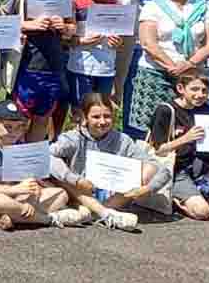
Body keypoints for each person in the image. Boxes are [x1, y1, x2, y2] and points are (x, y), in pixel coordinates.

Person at [50, 93, 170, 231]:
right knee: (58, 173)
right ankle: (104, 214)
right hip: (80, 191)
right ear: (85, 117)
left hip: (112, 196)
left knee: (149, 168)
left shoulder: (123, 140)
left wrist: (147, 188)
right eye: (96, 117)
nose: (102, 122)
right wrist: (75, 179)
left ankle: (93, 213)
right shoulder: (73, 138)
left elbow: (162, 169)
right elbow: (48, 156)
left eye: (107, 116)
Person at [128, 0, 209, 135]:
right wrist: (173, 67)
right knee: (151, 130)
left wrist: (188, 65)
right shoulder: (152, 7)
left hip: (190, 78)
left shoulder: (205, 8)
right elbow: (148, 43)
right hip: (156, 76)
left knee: (186, 128)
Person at [0, 100, 88, 230]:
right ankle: (49, 219)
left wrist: (32, 192)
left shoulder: (20, 146)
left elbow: (27, 181)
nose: (14, 132)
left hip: (15, 197)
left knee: (61, 194)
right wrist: (16, 190)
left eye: (19, 127)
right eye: (8, 127)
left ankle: (7, 216)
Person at [1, 0, 75, 141]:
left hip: (53, 65)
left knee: (43, 118)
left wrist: (64, 26)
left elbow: (72, 30)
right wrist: (28, 25)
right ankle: (14, 154)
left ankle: (33, 155)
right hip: (25, 65)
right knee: (19, 118)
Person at [149, 69, 209, 220]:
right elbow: (158, 151)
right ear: (180, 88)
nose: (200, 94)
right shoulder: (166, 110)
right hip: (174, 169)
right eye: (194, 89)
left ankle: (200, 188)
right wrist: (186, 138)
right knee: (202, 212)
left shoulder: (204, 109)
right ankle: (174, 199)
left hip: (196, 165)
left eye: (204, 90)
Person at [67, 0, 122, 123]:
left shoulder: (116, 5)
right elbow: (65, 40)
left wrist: (117, 43)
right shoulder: (75, 4)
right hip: (81, 69)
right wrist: (81, 42)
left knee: (102, 114)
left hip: (106, 70)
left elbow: (120, 40)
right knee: (81, 115)